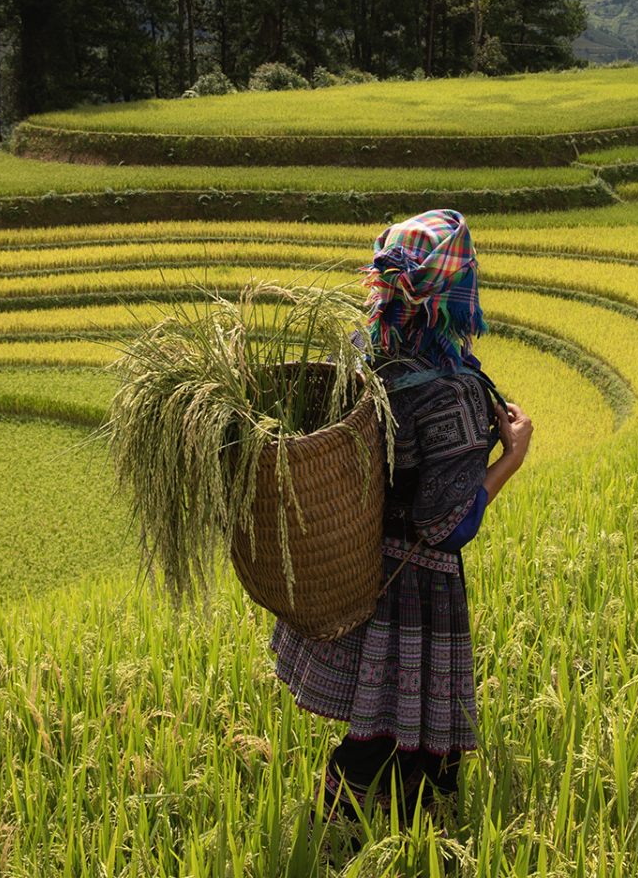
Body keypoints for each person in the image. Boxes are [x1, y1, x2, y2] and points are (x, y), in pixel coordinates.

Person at [269, 208, 534, 835]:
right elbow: (446, 524)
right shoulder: (454, 392)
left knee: (383, 722)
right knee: (405, 732)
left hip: (359, 562)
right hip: (417, 585)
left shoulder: (361, 358)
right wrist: (511, 458)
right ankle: (370, 841)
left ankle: (371, 842)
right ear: (455, 294)